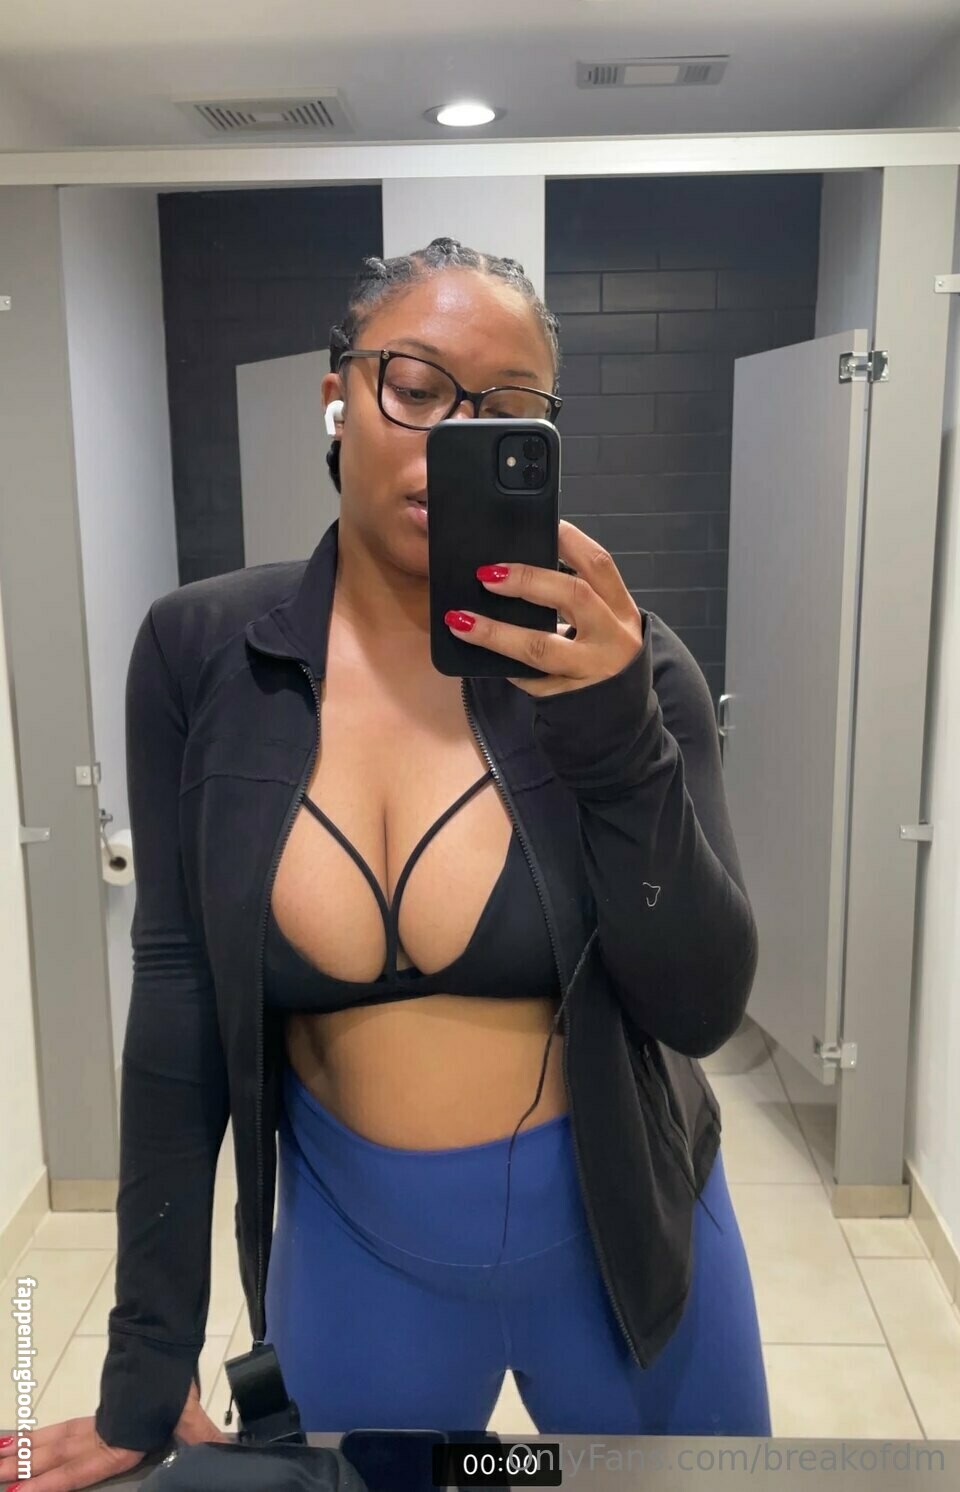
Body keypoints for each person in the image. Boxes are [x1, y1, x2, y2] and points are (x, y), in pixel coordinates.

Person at [2, 237, 770, 1492]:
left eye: (506, 410)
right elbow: (180, 996)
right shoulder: (203, 657)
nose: (451, 434)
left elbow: (701, 1004)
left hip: (628, 1244)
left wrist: (616, 735)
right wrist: (147, 1362)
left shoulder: (626, 664)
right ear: (338, 396)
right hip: (360, 1258)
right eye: (415, 387)